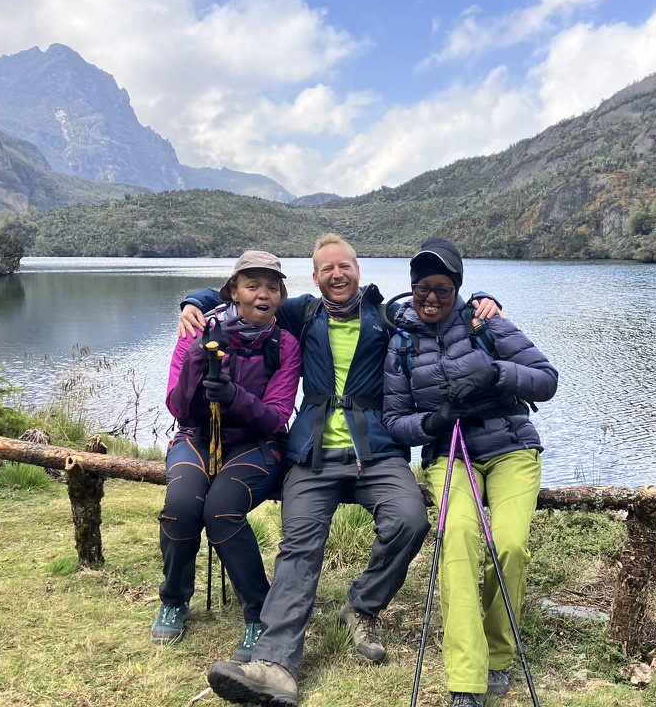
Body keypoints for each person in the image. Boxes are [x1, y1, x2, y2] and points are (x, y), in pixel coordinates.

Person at [176, 234, 500, 707]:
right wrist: (193, 300)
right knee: (300, 544)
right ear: (315, 278)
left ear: (357, 269)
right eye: (326, 269)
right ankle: (275, 665)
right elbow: (243, 299)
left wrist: (486, 301)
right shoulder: (300, 312)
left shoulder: (387, 315)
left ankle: (361, 606)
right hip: (311, 452)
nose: (336, 275)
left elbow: (442, 310)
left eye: (343, 265)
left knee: (410, 520)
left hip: (378, 450)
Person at [381, 237, 558, 707]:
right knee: (457, 537)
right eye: (422, 288)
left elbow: (546, 380)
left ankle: (499, 654)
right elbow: (395, 422)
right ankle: (466, 677)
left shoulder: (486, 323)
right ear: (413, 288)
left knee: (510, 544)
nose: (431, 298)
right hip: (449, 452)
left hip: (511, 446)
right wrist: (434, 421)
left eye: (441, 287)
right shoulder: (399, 341)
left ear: (457, 287)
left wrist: (496, 373)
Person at [152, 250, 302, 665]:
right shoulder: (197, 332)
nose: (263, 294)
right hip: (197, 436)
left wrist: (234, 397)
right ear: (233, 291)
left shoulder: (284, 344)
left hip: (259, 443)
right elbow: (179, 408)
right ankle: (174, 599)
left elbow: (275, 418)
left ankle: (258, 613)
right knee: (181, 507)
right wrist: (198, 359)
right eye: (252, 285)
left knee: (220, 509)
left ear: (281, 295)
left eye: (272, 287)